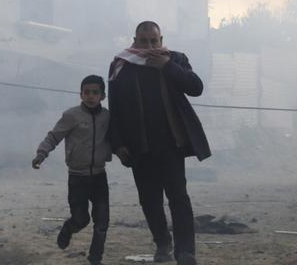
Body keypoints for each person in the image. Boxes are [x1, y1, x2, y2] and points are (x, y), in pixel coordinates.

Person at [107, 21, 210, 265]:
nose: (150, 46)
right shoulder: (122, 64)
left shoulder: (175, 59)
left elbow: (196, 87)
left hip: (171, 144)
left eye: (154, 41)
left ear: (161, 40)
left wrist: (167, 66)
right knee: (149, 200)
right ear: (135, 40)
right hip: (138, 146)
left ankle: (186, 252)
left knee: (179, 198)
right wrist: (117, 143)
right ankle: (163, 242)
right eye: (144, 41)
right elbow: (115, 107)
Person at [32, 75, 111, 265]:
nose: (91, 96)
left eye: (95, 93)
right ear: (81, 94)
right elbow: (54, 136)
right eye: (87, 92)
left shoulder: (107, 117)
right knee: (81, 218)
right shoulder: (72, 116)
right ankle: (68, 228)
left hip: (100, 176)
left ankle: (95, 258)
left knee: (102, 221)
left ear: (102, 95)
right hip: (78, 177)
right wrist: (41, 154)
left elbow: (117, 139)